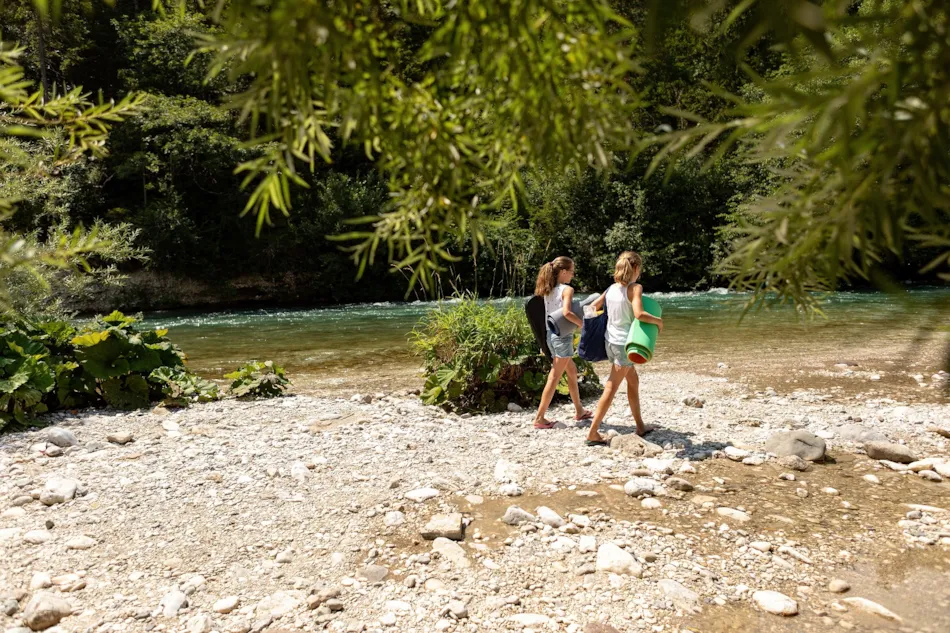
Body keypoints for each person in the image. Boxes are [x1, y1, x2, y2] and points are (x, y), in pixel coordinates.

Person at [584, 251, 663, 445]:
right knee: (611, 387)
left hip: (609, 341)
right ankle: (593, 433)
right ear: (636, 268)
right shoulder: (635, 288)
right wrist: (658, 321)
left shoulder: (611, 288)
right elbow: (639, 314)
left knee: (633, 381)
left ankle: (640, 426)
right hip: (624, 344)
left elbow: (591, 308)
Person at [531, 256, 593, 429]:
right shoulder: (567, 290)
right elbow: (566, 313)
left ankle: (579, 410)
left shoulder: (549, 290)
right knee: (554, 376)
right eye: (572, 272)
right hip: (562, 337)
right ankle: (539, 418)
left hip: (551, 335)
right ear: (564, 272)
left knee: (571, 371)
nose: (573, 275)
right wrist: (583, 325)